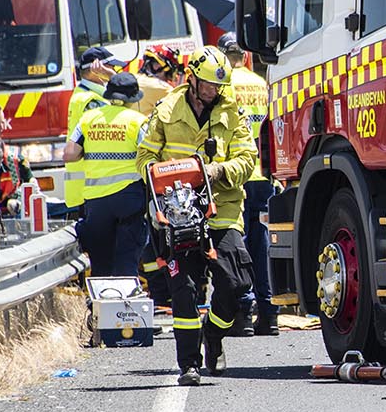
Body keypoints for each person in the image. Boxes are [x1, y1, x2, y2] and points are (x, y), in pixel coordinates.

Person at [137, 46, 257, 386]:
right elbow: (144, 155)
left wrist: (219, 170)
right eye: (207, 85)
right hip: (178, 212)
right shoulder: (166, 110)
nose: (213, 92)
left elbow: (248, 158)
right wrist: (160, 174)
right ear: (192, 80)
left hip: (222, 208)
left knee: (236, 285)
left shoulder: (233, 112)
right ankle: (189, 364)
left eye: (218, 87)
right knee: (185, 289)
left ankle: (214, 336)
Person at [219, 32, 277, 336]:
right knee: (262, 244)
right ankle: (269, 314)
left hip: (234, 176)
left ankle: (242, 312)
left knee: (235, 246)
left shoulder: (223, 85)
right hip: (263, 174)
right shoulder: (260, 84)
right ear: (245, 55)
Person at [66, 72, 151, 279]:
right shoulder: (138, 122)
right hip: (129, 199)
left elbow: (69, 154)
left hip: (96, 202)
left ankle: (100, 307)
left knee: (101, 263)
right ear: (133, 99)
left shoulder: (88, 119)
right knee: (126, 259)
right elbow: (150, 158)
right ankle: (124, 306)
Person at [65, 47, 123, 215]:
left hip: (91, 190)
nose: (113, 71)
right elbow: (123, 113)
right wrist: (113, 79)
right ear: (95, 70)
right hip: (91, 192)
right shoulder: (90, 101)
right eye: (110, 68)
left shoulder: (89, 95)